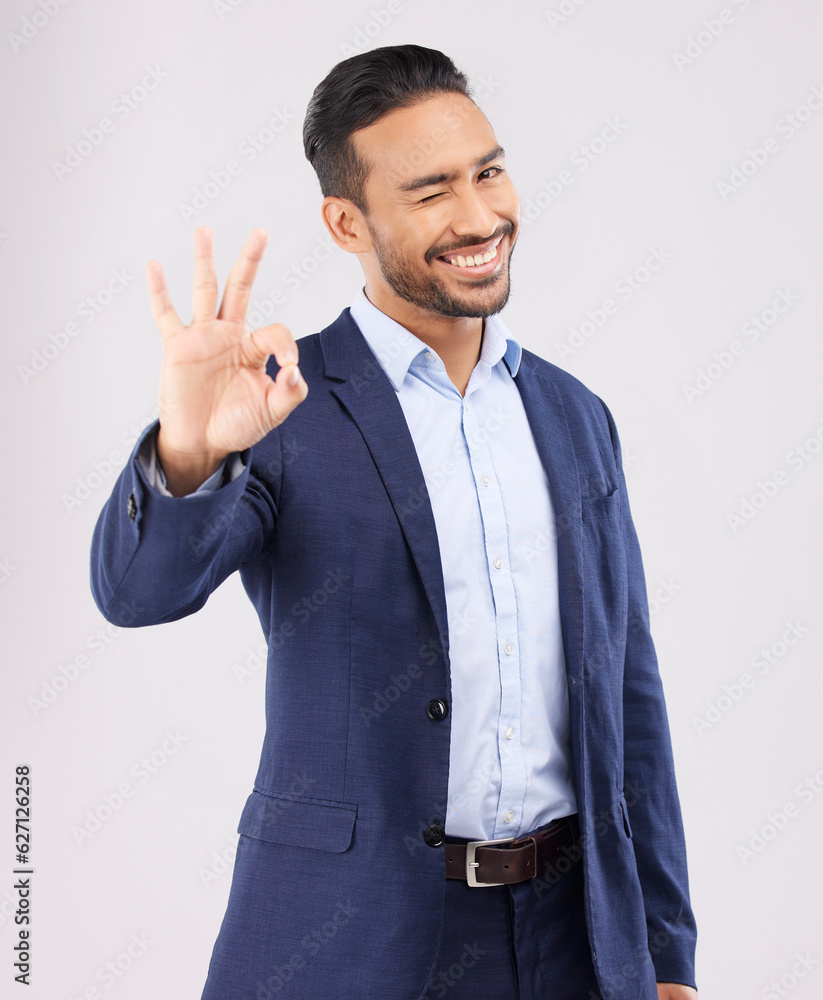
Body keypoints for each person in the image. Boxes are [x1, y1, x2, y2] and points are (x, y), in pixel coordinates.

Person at [90, 43, 698, 1000]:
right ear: (346, 221)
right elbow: (137, 595)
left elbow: (629, 694)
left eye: (487, 172)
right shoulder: (280, 405)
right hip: (351, 937)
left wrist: (662, 954)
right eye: (429, 193)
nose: (478, 217)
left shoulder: (574, 416)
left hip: (574, 936)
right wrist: (189, 449)